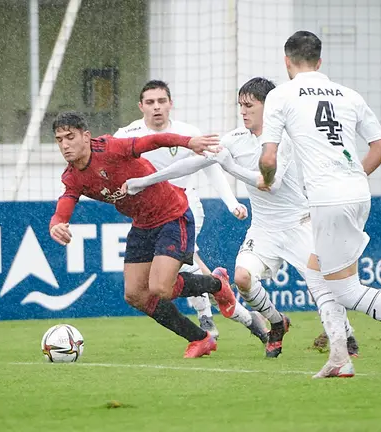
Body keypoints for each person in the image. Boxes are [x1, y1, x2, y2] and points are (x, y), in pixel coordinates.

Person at [258, 31, 381, 378]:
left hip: (327, 197)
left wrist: (266, 176)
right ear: (320, 62)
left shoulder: (281, 95)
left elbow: (269, 157)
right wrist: (353, 180)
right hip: (355, 190)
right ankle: (338, 356)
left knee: (346, 290)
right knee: (315, 271)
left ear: (287, 61)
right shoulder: (348, 95)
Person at [124, 77, 360, 359]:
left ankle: (347, 337)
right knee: (242, 279)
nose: (243, 111)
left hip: (300, 223)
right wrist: (147, 180)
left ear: (268, 107)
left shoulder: (285, 139)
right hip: (263, 228)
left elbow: (269, 182)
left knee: (317, 286)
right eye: (240, 106)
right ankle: (276, 322)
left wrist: (230, 167)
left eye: (249, 106)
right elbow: (193, 162)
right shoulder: (235, 138)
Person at [47, 111, 238, 358]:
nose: (64, 145)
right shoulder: (72, 176)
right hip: (142, 224)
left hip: (172, 214)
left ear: (85, 136)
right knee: (135, 295)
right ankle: (200, 339)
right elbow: (66, 201)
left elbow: (152, 141)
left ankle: (216, 284)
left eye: (69, 137)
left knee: (161, 288)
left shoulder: (110, 148)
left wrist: (187, 141)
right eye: (59, 139)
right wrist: (56, 224)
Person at [114, 80, 268, 343]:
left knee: (188, 261)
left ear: (170, 104)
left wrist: (231, 202)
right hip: (149, 216)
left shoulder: (189, 133)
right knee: (162, 280)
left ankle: (207, 319)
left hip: (185, 208)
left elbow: (210, 164)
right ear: (141, 106)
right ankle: (245, 317)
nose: (157, 107)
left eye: (162, 101)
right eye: (150, 102)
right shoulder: (126, 135)